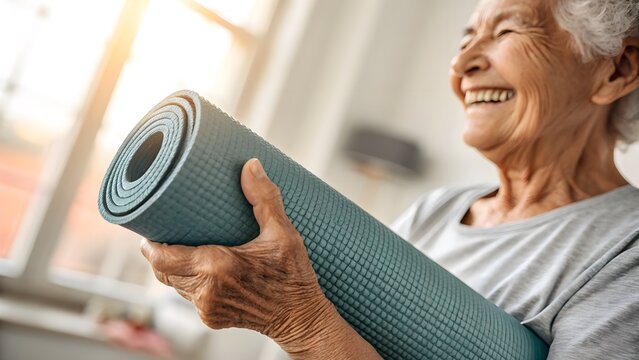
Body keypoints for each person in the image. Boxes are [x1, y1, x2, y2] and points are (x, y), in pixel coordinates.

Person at [140, 0, 639, 358]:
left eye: (508, 31)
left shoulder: (627, 249)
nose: (463, 63)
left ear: (617, 69)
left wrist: (297, 322)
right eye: (465, 39)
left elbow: (313, 327)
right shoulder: (438, 209)